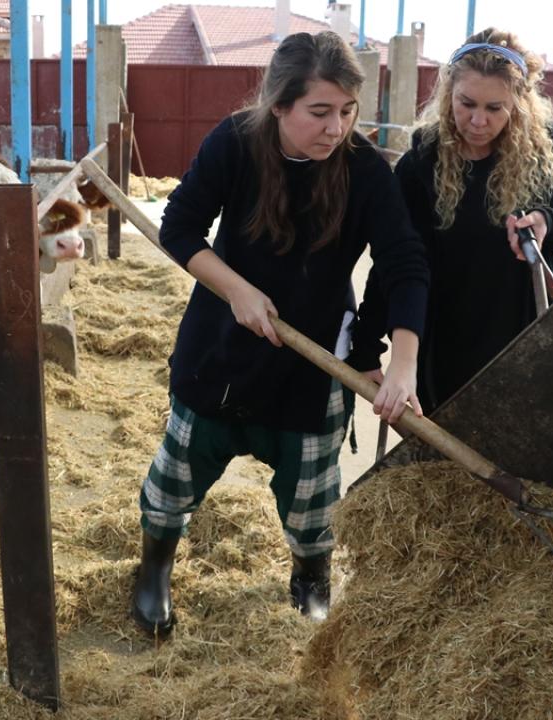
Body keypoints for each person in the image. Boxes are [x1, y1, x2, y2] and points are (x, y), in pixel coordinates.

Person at [132, 31, 430, 637]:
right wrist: (236, 289)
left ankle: (311, 576)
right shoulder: (235, 143)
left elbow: (404, 262)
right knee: (179, 470)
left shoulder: (365, 169)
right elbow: (179, 226)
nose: (336, 128)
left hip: (314, 360)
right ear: (279, 105)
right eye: (319, 112)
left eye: (347, 111)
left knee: (312, 491)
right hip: (221, 347)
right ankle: (155, 567)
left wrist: (402, 362)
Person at [350, 27, 553, 414]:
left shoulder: (544, 152)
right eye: (466, 103)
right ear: (449, 91)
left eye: (495, 108)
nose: (478, 121)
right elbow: (394, 261)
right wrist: (367, 348)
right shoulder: (422, 162)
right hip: (441, 345)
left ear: (518, 103)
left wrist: (549, 221)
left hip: (520, 343)